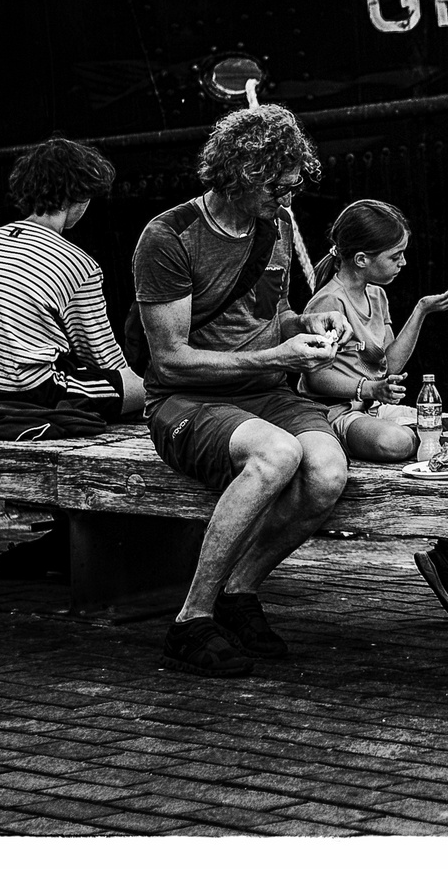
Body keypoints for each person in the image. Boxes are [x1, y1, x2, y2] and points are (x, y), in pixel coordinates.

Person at [133, 104, 355, 677]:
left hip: (264, 390)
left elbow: (272, 314)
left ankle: (239, 591)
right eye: (276, 188)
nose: (286, 201)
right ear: (241, 174)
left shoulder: (274, 227)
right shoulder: (167, 236)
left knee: (328, 473)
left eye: (290, 187)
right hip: (187, 399)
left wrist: (306, 328)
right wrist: (276, 356)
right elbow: (170, 358)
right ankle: (191, 621)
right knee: (276, 454)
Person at [298, 200, 448, 621]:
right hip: (333, 411)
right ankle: (428, 436)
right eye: (395, 255)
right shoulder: (328, 304)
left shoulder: (376, 294)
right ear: (361, 259)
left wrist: (422, 311)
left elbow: (389, 363)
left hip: (373, 405)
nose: (403, 263)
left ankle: (446, 549)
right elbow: (316, 379)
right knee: (398, 442)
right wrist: (366, 387)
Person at [0, 137, 145, 420]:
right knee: (143, 388)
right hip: (34, 393)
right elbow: (101, 356)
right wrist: (129, 385)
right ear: (76, 196)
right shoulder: (79, 264)